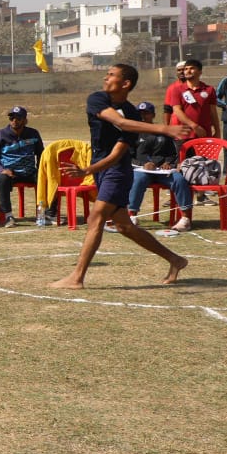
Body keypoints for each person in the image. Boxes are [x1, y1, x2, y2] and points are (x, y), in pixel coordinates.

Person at [50, 64, 191, 290]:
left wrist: (87, 170)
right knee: (125, 226)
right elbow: (119, 122)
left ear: (125, 84)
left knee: (95, 217)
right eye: (107, 74)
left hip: (118, 171)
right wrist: (164, 128)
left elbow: (118, 154)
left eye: (111, 75)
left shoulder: (133, 113)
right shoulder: (97, 99)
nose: (106, 78)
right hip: (103, 169)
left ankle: (76, 278)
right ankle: (176, 260)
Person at [126, 101, 194, 232]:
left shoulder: (163, 132)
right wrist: (143, 164)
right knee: (138, 179)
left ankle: (185, 219)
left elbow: (172, 153)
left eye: (146, 113)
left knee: (179, 180)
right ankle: (132, 216)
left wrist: (169, 163)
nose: (142, 116)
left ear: (153, 115)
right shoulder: (132, 133)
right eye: (139, 113)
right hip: (142, 170)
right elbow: (129, 156)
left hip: (163, 171)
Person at [168, 59, 221, 205]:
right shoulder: (177, 89)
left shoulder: (209, 90)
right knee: (181, 166)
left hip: (203, 135)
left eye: (191, 68)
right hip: (183, 134)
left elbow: (212, 112)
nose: (187, 71)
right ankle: (176, 197)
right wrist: (193, 125)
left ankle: (201, 196)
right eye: (186, 69)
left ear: (200, 71)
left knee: (202, 165)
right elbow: (177, 111)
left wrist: (217, 129)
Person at [0, 105, 44, 228]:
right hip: (10, 173)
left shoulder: (33, 133)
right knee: (2, 179)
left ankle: (46, 214)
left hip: (29, 172)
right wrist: (1, 170)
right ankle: (8, 216)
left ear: (25, 120)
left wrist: (41, 170)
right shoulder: (1, 134)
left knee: (46, 178)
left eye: (18, 118)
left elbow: (41, 154)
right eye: (12, 118)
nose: (14, 121)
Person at [163, 60, 187, 125]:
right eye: (179, 70)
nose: (181, 72)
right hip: (176, 125)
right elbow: (167, 109)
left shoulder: (195, 87)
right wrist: (166, 127)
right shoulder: (172, 88)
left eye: (184, 69)